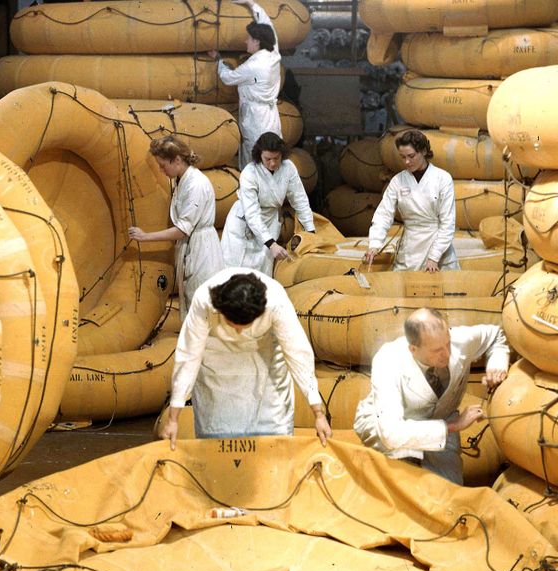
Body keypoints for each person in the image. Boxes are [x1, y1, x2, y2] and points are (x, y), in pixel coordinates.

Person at [160, 268, 332, 445]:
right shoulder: (204, 300)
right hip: (216, 365)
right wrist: (173, 418)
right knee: (219, 439)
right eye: (233, 325)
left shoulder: (275, 300)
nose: (239, 332)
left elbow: (297, 352)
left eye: (244, 326)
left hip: (266, 362)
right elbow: (189, 355)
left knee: (272, 441)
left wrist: (318, 412)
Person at [353, 308, 510, 485]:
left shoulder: (459, 340)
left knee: (449, 490)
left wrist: (496, 364)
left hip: (440, 419)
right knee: (407, 480)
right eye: (437, 350)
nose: (447, 353)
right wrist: (454, 426)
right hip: (389, 426)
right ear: (413, 349)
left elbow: (496, 335)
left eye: (447, 344)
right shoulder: (389, 360)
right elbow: (391, 434)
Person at [129, 135, 223, 316]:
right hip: (191, 246)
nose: (161, 170)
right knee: (192, 298)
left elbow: (182, 229)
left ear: (177, 160)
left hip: (202, 248)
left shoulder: (195, 185)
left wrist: (145, 237)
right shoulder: (181, 182)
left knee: (202, 300)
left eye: (163, 166)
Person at [363, 129, 459, 272]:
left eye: (411, 156)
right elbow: (384, 214)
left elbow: (448, 222)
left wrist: (434, 256)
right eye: (402, 157)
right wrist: (375, 244)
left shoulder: (442, 179)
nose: (407, 162)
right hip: (410, 249)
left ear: (424, 151)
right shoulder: (398, 181)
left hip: (437, 245)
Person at [221, 131, 315, 275]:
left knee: (263, 273)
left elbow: (300, 200)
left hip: (269, 220)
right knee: (237, 271)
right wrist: (271, 244)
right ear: (259, 155)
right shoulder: (250, 173)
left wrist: (310, 231)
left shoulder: (288, 168)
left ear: (282, 154)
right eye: (268, 159)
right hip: (244, 223)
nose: (272, 163)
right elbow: (252, 214)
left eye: (276, 158)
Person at [209, 0, 282, 168]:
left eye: (249, 38)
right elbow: (267, 25)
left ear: (257, 41)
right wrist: (252, 4)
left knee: (255, 162)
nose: (245, 41)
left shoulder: (253, 66)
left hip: (256, 119)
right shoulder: (273, 53)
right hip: (270, 117)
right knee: (272, 160)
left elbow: (229, 77)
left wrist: (219, 60)